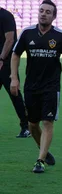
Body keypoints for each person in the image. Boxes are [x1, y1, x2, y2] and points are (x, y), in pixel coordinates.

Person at [10, 0, 62, 173]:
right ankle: (45, 150)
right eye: (41, 10)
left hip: (51, 86)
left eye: (48, 12)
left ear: (54, 16)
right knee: (33, 125)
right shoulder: (27, 33)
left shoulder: (60, 36)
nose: (44, 14)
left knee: (47, 122)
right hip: (31, 86)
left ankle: (40, 160)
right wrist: (14, 78)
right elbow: (15, 55)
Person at [0, 7, 29, 137]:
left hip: (6, 64)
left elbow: (10, 39)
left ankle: (26, 127)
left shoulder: (6, 16)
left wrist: (1, 59)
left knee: (15, 94)